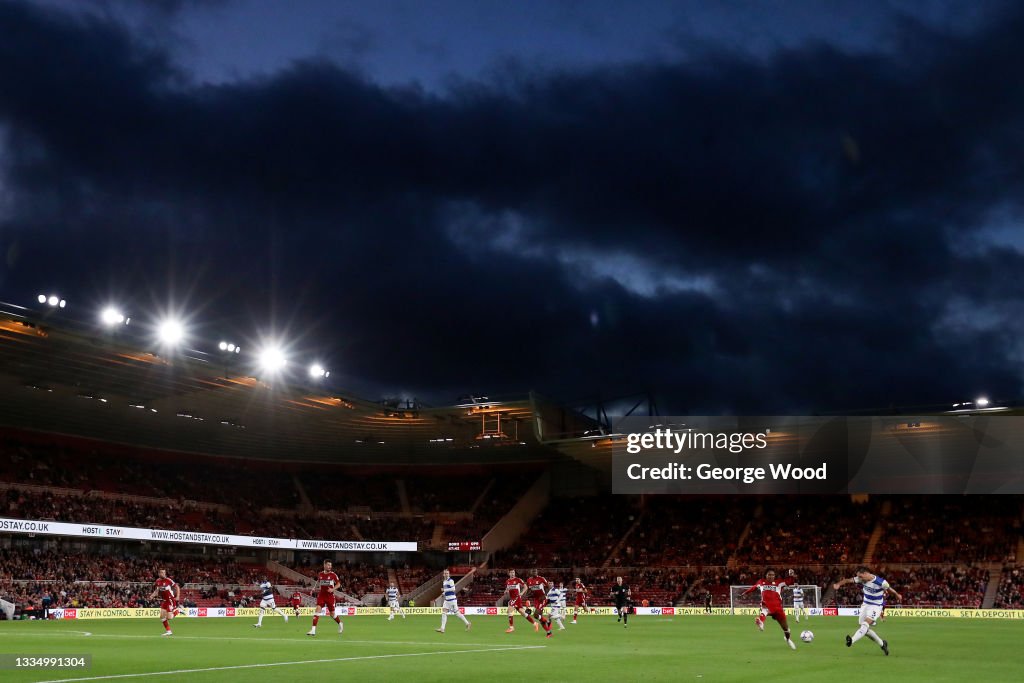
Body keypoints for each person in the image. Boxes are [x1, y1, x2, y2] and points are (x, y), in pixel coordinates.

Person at [832, 566, 902, 656]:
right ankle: (882, 644)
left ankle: (852, 640)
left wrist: (897, 594)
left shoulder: (881, 582)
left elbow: (889, 589)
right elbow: (847, 580)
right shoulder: (861, 579)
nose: (859, 579)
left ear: (866, 573)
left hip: (876, 606)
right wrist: (838, 584)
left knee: (865, 624)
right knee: (864, 628)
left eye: (861, 576)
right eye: (858, 577)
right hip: (865, 604)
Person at [741, 568, 798, 650]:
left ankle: (788, 639)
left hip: (778, 608)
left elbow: (790, 582)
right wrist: (745, 593)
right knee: (764, 610)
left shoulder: (779, 583)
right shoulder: (761, 582)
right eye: (769, 575)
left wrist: (791, 575)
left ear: (775, 576)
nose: (771, 576)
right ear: (766, 575)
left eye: (773, 575)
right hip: (767, 605)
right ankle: (761, 623)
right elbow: (753, 587)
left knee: (786, 629)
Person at [306, 560, 344, 637]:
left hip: (330, 596)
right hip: (322, 595)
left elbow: (339, 584)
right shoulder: (320, 574)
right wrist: (313, 589)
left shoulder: (333, 575)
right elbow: (317, 582)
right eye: (328, 565)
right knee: (317, 609)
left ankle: (340, 623)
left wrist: (332, 589)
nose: (330, 567)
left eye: (330, 565)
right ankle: (313, 630)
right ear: (324, 565)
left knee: (332, 614)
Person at [148, 568, 182, 636]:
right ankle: (169, 631)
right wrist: (152, 596)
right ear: (159, 573)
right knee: (162, 617)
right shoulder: (157, 581)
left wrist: (177, 596)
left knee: (169, 617)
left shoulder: (168, 580)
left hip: (170, 600)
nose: (163, 574)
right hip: (164, 601)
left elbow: (177, 587)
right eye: (162, 573)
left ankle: (178, 610)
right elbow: (157, 591)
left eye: (164, 572)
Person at [503, 569, 537, 633]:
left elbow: (526, 587)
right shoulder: (507, 581)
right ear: (509, 573)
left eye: (513, 572)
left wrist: (522, 593)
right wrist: (506, 591)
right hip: (513, 598)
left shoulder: (518, 580)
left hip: (516, 597)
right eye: (511, 572)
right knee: (522, 612)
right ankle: (535, 623)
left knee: (509, 610)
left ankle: (511, 627)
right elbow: (508, 588)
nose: (512, 574)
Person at [526, 569, 554, 638]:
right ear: (531, 572)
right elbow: (529, 590)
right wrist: (528, 597)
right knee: (540, 619)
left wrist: (545, 595)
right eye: (533, 571)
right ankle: (548, 632)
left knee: (536, 614)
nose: (534, 572)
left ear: (537, 572)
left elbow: (548, 587)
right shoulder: (529, 580)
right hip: (536, 599)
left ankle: (548, 621)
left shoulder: (541, 579)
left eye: (535, 571)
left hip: (542, 599)